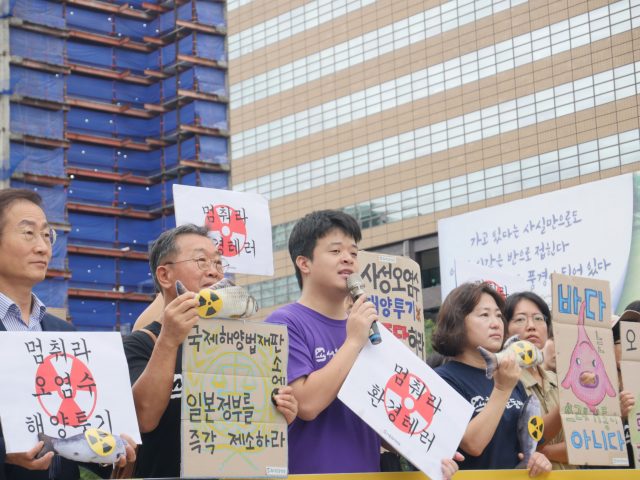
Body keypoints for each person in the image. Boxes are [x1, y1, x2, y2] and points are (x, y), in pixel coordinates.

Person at [265, 210, 462, 478]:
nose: (348, 258)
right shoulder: (285, 323)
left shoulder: (370, 330)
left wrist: (433, 453)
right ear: (304, 263)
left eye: (354, 253)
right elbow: (307, 405)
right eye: (335, 251)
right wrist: (354, 341)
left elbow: (383, 420)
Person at [123, 224, 298, 477]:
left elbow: (249, 425)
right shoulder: (140, 344)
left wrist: (278, 413)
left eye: (217, 263)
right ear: (165, 275)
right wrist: (169, 340)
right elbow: (144, 419)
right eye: (201, 261)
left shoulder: (241, 343)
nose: (214, 271)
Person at [0, 189, 135, 480]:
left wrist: (111, 452)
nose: (43, 247)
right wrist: (6, 453)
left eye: (47, 235)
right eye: (28, 233)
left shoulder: (65, 335)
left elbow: (76, 430)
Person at [433, 282, 552, 475]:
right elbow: (473, 444)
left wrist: (536, 458)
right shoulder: (443, 379)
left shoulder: (510, 378)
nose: (496, 323)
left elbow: (525, 441)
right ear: (457, 322)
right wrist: (502, 389)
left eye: (498, 315)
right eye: (484, 315)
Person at [504, 291, 574, 470]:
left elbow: (584, 445)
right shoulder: (503, 383)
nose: (531, 326)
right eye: (520, 319)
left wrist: (544, 451)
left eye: (538, 318)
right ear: (505, 330)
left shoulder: (561, 381)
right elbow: (521, 444)